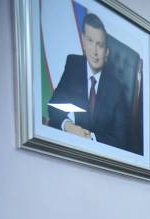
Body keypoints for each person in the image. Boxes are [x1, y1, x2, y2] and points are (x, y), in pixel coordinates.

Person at [45, 13, 128, 150]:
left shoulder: (116, 89)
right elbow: (54, 106)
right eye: (90, 41)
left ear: (106, 52)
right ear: (83, 42)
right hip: (68, 144)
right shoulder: (73, 64)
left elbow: (120, 139)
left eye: (100, 45)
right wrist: (69, 126)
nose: (94, 51)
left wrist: (90, 138)